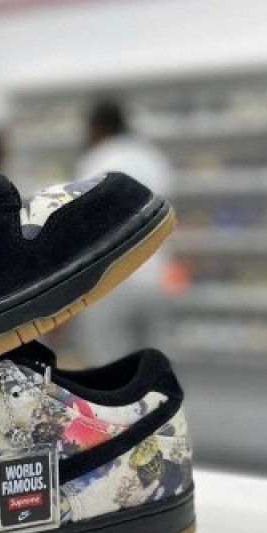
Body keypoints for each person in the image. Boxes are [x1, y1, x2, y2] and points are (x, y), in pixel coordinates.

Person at [72, 99, 174, 364]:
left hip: (111, 279)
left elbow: (81, 223)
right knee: (152, 366)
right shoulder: (152, 157)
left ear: (98, 126)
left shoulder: (97, 159)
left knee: (107, 369)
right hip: (155, 276)